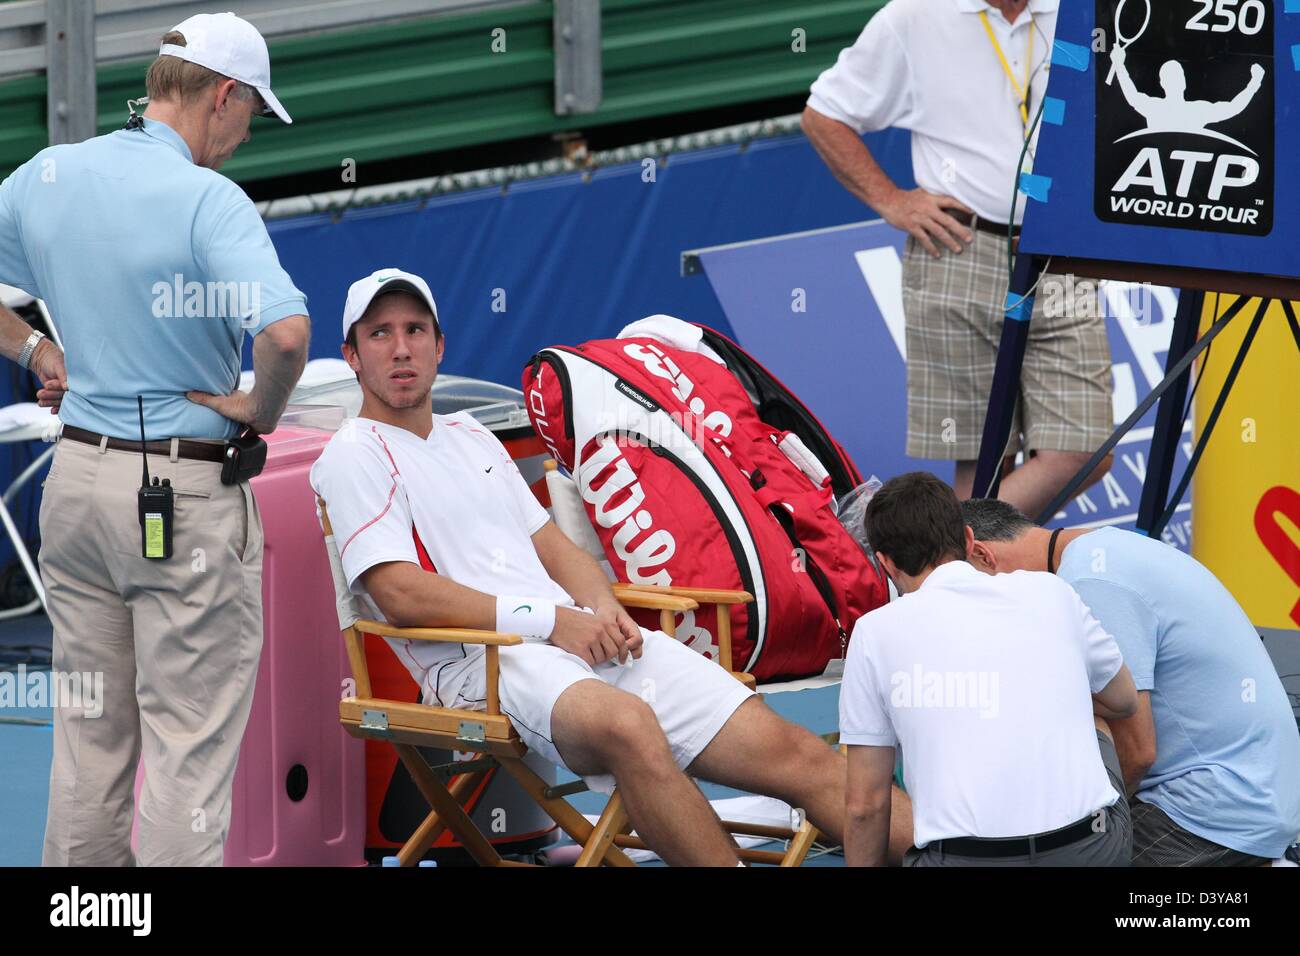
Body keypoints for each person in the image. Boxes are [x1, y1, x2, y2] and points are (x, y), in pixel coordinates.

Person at [310, 268, 915, 866]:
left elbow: (555, 548)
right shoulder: (353, 451)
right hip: (480, 664)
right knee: (630, 728)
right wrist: (552, 620)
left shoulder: (470, 434)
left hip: (571, 638)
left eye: (415, 330)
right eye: (380, 333)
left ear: (440, 346)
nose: (400, 347)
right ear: (352, 356)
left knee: (795, 751)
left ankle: (945, 855)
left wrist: (602, 607)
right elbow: (399, 594)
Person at [0, 12, 310, 865]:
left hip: (76, 490)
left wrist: (38, 350)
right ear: (223, 96)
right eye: (251, 114)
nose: (246, 137)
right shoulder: (211, 200)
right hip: (183, 503)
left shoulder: (51, 173)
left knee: (88, 749)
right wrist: (262, 411)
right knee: (188, 754)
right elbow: (285, 336)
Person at [801, 0, 1114, 515]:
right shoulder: (913, 16)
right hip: (959, 245)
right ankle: (970, 571)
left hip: (1062, 252)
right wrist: (891, 200)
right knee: (983, 459)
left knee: (1083, 450)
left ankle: (938, 551)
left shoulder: (1080, 9)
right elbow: (824, 115)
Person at [962, 498, 1300, 866]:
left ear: (982, 555)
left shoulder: (1090, 581)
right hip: (1253, 795)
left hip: (1217, 809)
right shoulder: (1102, 551)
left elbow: (1136, 752)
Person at [840, 471, 1137, 866]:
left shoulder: (873, 632)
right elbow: (1124, 700)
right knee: (1096, 715)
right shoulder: (1050, 590)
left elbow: (865, 806)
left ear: (885, 563)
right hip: (1090, 849)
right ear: (967, 539)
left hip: (963, 859)